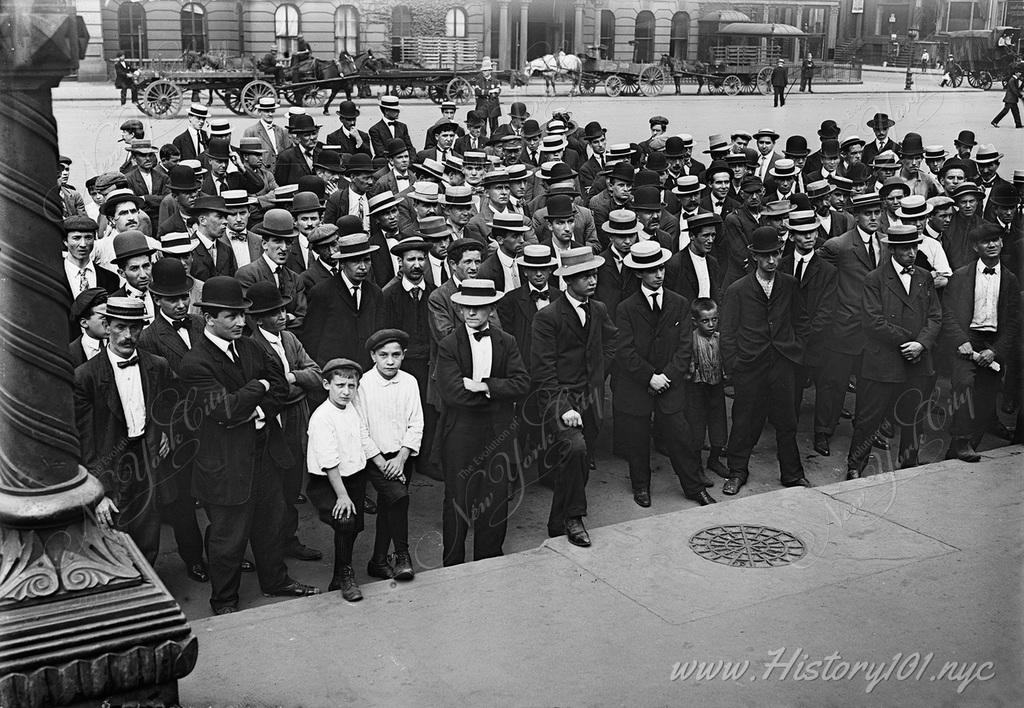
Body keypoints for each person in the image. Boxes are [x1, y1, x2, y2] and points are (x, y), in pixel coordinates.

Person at [179, 276, 319, 614]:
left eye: (243, 315)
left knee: (270, 524)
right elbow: (224, 409)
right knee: (228, 537)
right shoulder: (195, 362)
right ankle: (224, 600)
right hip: (225, 464)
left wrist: (254, 402)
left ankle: (276, 581)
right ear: (210, 317)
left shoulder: (250, 346)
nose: (242, 322)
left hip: (263, 450)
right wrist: (258, 389)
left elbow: (279, 389)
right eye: (232, 316)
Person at [73, 296, 174, 565]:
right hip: (110, 460)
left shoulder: (158, 365)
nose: (128, 336)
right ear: (106, 327)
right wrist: (99, 492)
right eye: (120, 327)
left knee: (149, 529)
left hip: (145, 453)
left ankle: (150, 588)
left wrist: (163, 430)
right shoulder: (86, 376)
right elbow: (85, 440)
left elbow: (168, 402)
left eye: (135, 328)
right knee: (115, 532)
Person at [436, 279, 530, 565]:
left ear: (491, 308)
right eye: (466, 307)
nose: (471, 313)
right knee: (458, 500)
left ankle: (489, 561)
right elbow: (452, 394)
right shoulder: (449, 344)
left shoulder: (506, 341)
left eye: (478, 307)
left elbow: (523, 383)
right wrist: (497, 395)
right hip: (461, 433)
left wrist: (485, 386)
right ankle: (452, 564)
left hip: (498, 433)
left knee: (495, 497)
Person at [613, 241, 713, 508]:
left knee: (680, 436)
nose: (659, 274)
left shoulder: (679, 304)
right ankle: (641, 486)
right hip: (637, 386)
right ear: (638, 274)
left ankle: (693, 486)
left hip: (670, 383)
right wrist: (650, 377)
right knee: (637, 439)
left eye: (661, 268)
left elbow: (684, 347)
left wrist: (666, 377)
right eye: (651, 270)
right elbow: (625, 351)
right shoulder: (626, 308)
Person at [531, 247, 618, 547]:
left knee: (578, 461)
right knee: (576, 450)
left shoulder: (599, 309)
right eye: (584, 276)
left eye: (594, 273)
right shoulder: (547, 317)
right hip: (560, 400)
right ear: (568, 280)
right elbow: (543, 372)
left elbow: (611, 342)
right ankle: (574, 517)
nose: (592, 280)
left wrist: (599, 373)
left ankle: (557, 520)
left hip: (591, 399)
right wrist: (564, 407)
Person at [719, 226, 810, 495]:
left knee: (786, 421)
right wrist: (734, 366)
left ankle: (792, 474)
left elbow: (801, 321)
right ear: (755, 256)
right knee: (745, 420)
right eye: (765, 255)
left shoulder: (789, 284)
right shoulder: (738, 290)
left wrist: (796, 351)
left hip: (783, 363)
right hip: (749, 367)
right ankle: (737, 472)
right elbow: (728, 333)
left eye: (776, 254)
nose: (771, 261)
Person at [846, 224, 942, 477]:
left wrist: (922, 344)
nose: (911, 252)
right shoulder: (875, 279)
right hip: (884, 360)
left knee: (914, 415)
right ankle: (855, 466)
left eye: (914, 247)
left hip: (918, 359)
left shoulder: (924, 276)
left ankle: (909, 462)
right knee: (869, 418)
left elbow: (935, 316)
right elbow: (873, 321)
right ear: (892, 250)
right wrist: (910, 341)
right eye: (905, 248)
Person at [135, 258, 209, 582]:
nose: (181, 304)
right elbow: (152, 393)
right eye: (172, 299)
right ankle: (193, 557)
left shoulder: (200, 323)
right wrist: (163, 431)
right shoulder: (149, 338)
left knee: (216, 491)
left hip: (211, 418)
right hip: (177, 429)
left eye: (184, 296)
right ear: (156, 298)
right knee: (181, 500)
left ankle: (222, 551)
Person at [246, 281, 324, 561]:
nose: (282, 315)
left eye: (282, 309)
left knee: (292, 484)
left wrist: (293, 378)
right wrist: (295, 384)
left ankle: (288, 540)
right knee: (272, 489)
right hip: (272, 424)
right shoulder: (252, 346)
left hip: (296, 419)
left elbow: (317, 374)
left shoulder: (289, 339)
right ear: (257, 318)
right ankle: (271, 547)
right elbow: (272, 392)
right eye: (274, 311)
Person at [306, 358, 390, 601]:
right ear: (326, 384)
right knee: (344, 521)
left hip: (354, 478)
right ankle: (345, 574)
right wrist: (342, 495)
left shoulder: (351, 408)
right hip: (328, 482)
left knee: (353, 526)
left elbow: (363, 437)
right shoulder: (322, 417)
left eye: (351, 386)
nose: (345, 392)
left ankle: (337, 576)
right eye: (340, 385)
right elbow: (329, 461)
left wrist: (381, 462)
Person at [942, 223, 1020, 462]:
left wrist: (995, 352)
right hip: (968, 340)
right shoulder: (961, 276)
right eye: (986, 241)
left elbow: (1014, 323)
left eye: (996, 240)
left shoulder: (1011, 280)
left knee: (987, 396)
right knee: (964, 385)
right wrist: (961, 340)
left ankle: (963, 446)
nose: (992, 244)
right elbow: (948, 313)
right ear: (976, 247)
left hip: (994, 343)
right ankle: (962, 442)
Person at [780, 211, 837, 420]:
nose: (810, 237)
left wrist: (806, 336)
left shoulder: (828, 270)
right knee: (789, 387)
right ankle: (788, 425)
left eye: (813, 232)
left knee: (824, 386)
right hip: (787, 341)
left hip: (817, 340)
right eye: (803, 234)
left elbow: (827, 310)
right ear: (792, 236)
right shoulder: (782, 265)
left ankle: (821, 431)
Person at [302, 230, 385, 371]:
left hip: (367, 371)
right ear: (342, 263)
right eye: (355, 261)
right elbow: (311, 339)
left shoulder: (375, 293)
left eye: (366, 260)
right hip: (333, 372)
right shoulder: (322, 292)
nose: (363, 267)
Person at [684, 297, 729, 483]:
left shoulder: (720, 339)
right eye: (705, 320)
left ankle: (714, 459)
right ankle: (696, 466)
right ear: (695, 321)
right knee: (696, 427)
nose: (711, 324)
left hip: (716, 387)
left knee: (718, 423)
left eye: (714, 319)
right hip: (696, 388)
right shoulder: (691, 340)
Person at [68, 288, 108, 367]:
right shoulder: (69, 354)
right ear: (84, 323)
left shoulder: (122, 345)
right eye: (104, 318)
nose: (110, 322)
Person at [474, 57, 502, 135]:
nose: (485, 72)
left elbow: (497, 92)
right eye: (484, 70)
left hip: (493, 107)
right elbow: (477, 92)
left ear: (490, 71)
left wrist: (485, 93)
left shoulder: (496, 81)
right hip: (482, 107)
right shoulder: (478, 82)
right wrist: (489, 92)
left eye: (487, 70)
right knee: (482, 129)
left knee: (494, 128)